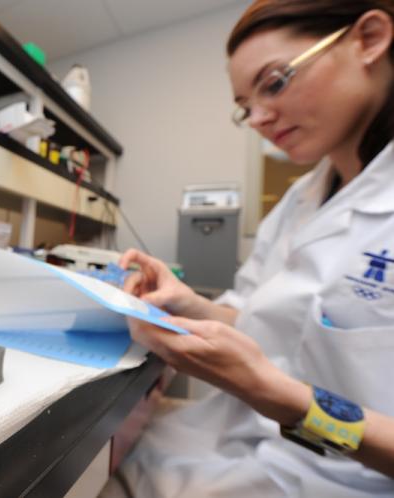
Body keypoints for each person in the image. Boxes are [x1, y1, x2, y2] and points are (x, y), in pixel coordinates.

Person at [108, 1, 394, 496]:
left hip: (346, 480)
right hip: (241, 441)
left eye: (276, 81)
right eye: (246, 105)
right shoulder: (298, 201)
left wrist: (274, 395)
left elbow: (280, 381)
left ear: (368, 39)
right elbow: (272, 325)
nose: (259, 117)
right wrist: (189, 304)